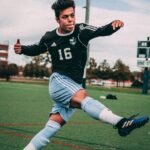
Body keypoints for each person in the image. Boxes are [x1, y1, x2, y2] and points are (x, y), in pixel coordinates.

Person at [14, 0, 149, 149]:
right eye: (65, 17)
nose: (70, 19)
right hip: (59, 81)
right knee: (83, 96)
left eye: (72, 15)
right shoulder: (49, 37)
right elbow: (37, 48)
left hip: (72, 86)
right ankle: (121, 123)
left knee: (51, 128)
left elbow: (101, 30)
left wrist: (113, 25)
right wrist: (22, 49)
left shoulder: (81, 30)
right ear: (57, 19)